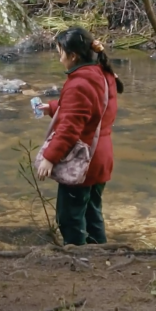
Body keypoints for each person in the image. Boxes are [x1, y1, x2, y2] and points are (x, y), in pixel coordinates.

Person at [36, 26, 124, 246]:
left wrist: (49, 157)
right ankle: (101, 255)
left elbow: (70, 128)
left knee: (69, 218)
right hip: (101, 156)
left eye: (60, 54)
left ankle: (78, 261)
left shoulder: (78, 83)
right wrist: (53, 107)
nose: (59, 59)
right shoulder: (103, 72)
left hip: (83, 160)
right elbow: (94, 112)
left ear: (73, 55)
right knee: (93, 213)